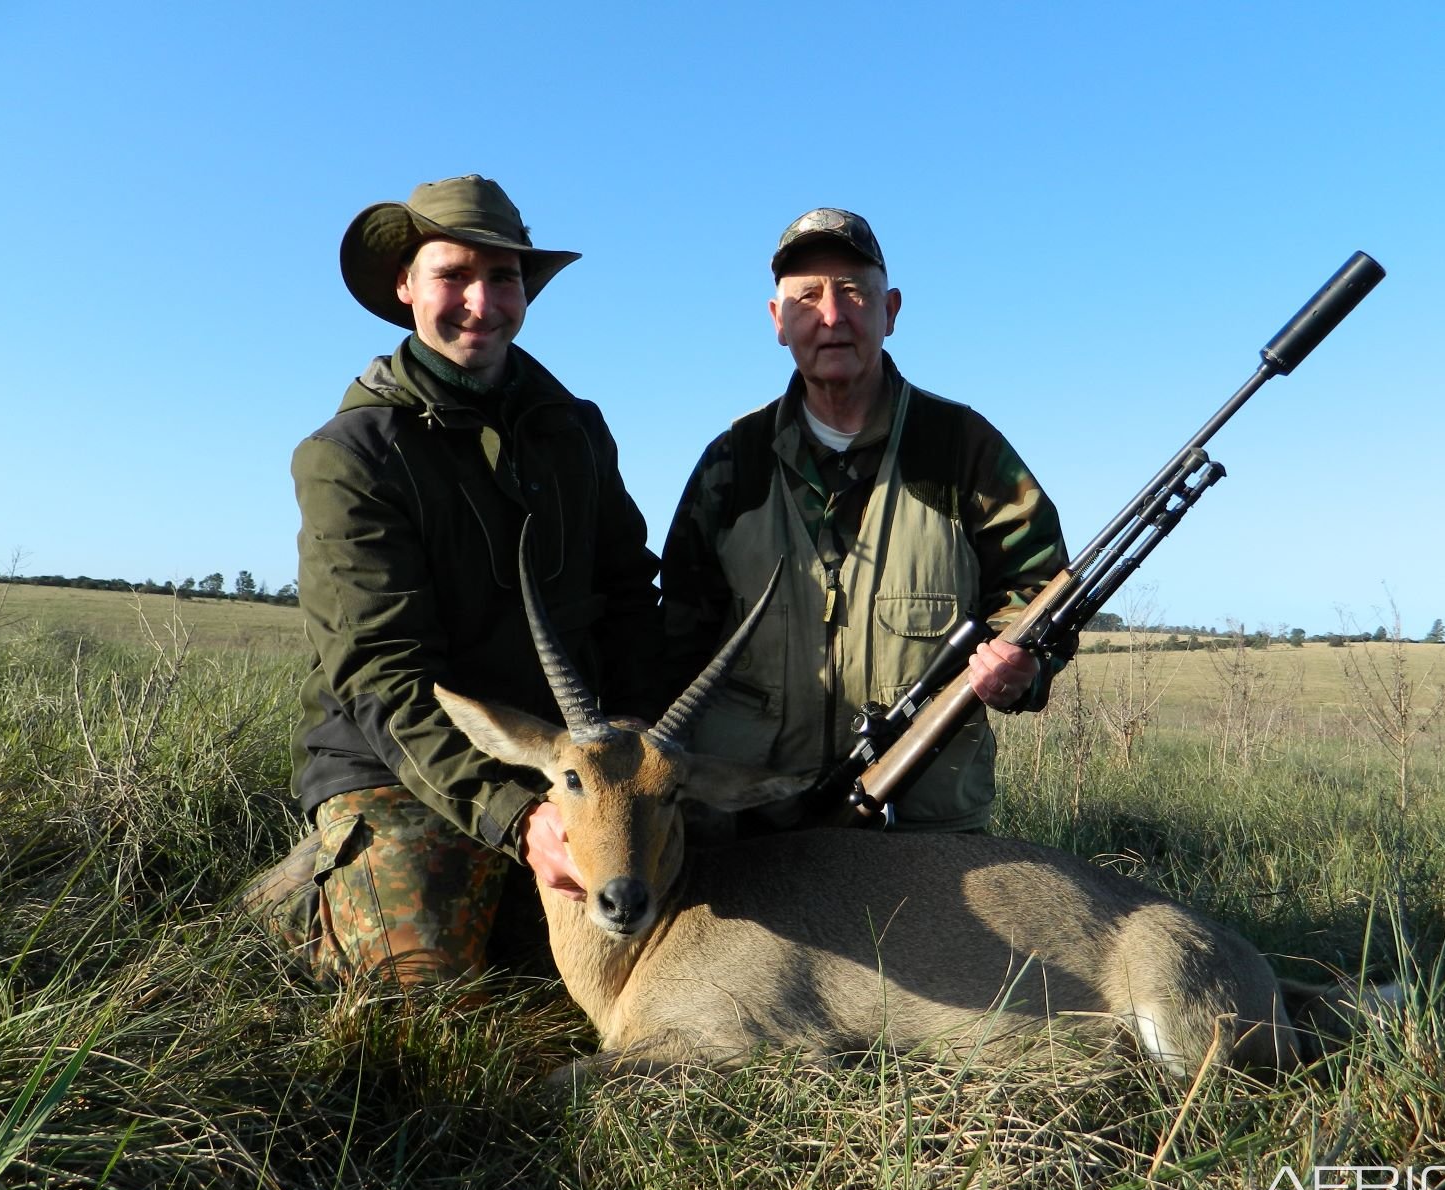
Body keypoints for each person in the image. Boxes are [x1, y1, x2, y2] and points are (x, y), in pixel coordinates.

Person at [241, 175, 659, 987]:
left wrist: (634, 750)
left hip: (567, 760)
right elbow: (382, 678)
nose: (482, 302)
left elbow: (630, 595)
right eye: (453, 276)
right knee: (426, 981)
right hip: (401, 764)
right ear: (405, 286)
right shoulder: (351, 456)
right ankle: (303, 897)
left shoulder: (577, 429)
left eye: (503, 279)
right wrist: (517, 819)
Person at [660, 208, 1069, 833]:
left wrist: (1022, 671)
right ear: (778, 321)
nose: (831, 317)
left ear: (892, 310)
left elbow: (1040, 588)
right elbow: (676, 641)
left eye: (853, 292)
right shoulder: (731, 462)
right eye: (807, 297)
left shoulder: (961, 446)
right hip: (752, 825)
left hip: (921, 823)